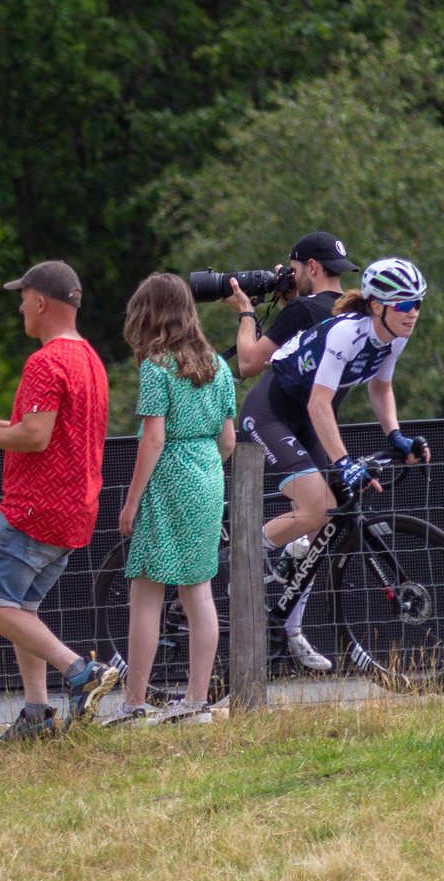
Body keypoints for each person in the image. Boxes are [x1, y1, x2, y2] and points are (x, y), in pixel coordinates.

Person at [0, 259, 118, 742]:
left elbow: (37, 438)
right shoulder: (89, 360)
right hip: (75, 509)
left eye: (22, 297)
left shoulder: (45, 361)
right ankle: (37, 716)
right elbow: (52, 433)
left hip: (32, 509)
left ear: (41, 302)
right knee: (20, 608)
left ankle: (81, 672)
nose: (20, 306)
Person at [238, 255, 431, 670]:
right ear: (378, 306)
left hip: (305, 418)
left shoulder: (395, 335)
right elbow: (320, 403)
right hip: (272, 412)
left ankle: (289, 629)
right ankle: (244, 557)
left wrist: (395, 436)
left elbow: (382, 389)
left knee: (330, 516)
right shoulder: (347, 332)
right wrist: (345, 463)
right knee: (316, 507)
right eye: (404, 304)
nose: (413, 313)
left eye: (418, 303)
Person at [100, 273, 237, 728]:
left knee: (145, 592)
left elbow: (153, 438)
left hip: (169, 478)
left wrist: (132, 500)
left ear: (151, 314)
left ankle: (133, 703)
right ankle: (197, 702)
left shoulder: (156, 367)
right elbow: (229, 441)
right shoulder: (217, 366)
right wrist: (205, 472)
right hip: (208, 476)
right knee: (198, 590)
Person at [229, 230, 357, 382]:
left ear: (312, 267)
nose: (293, 278)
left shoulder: (302, 309)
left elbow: (248, 365)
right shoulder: (351, 310)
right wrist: (291, 303)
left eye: (294, 271)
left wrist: (245, 309)